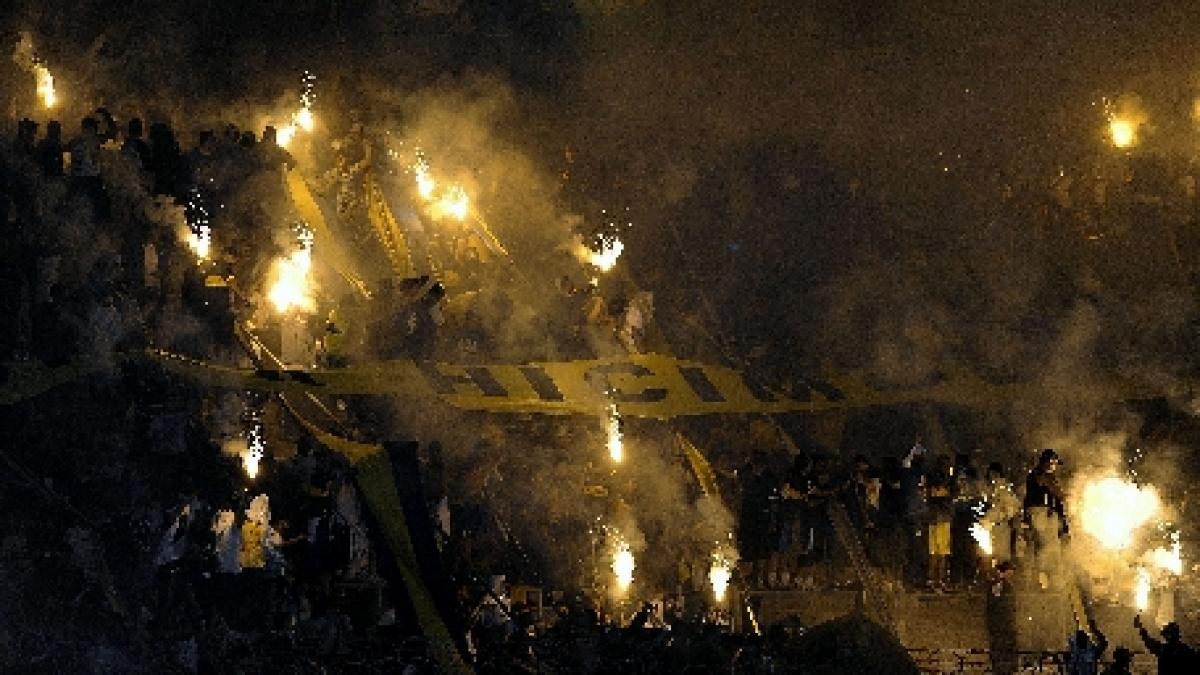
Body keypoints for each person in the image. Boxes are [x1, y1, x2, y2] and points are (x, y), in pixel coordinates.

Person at [1024, 449, 1066, 589]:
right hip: (1040, 515)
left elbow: (1057, 499)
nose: (1055, 467)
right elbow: (1053, 491)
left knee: (1048, 548)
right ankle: (1042, 581)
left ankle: (1047, 581)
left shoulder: (1046, 477)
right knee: (1044, 548)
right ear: (1047, 462)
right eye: (1053, 463)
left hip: (1045, 515)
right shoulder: (1039, 475)